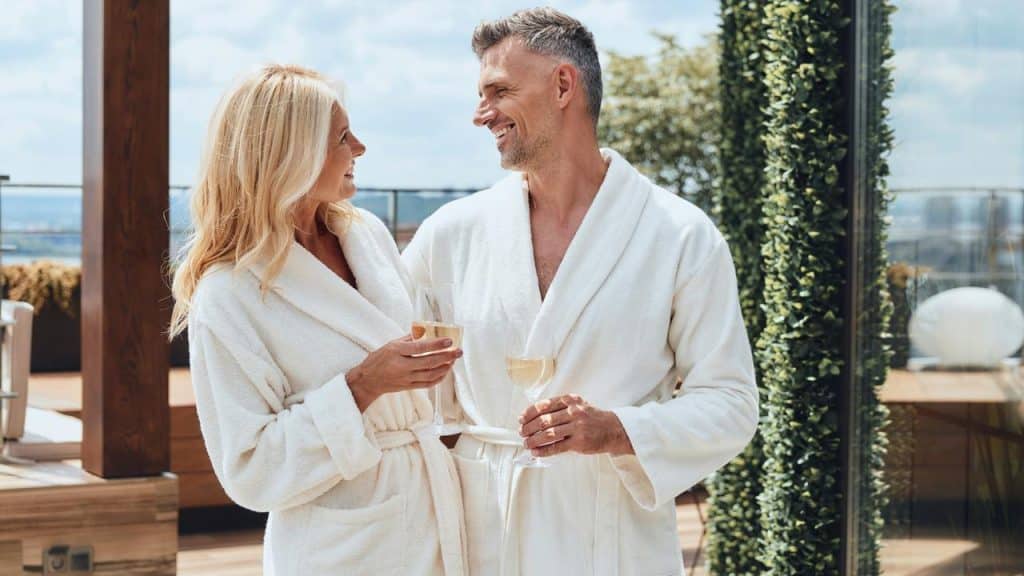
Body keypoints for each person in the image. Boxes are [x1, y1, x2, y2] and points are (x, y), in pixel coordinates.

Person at [402, 8, 758, 575]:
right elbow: (398, 371)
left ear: (563, 85)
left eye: (498, 91)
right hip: (485, 533)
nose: (480, 114)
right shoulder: (452, 233)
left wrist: (617, 431)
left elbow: (732, 404)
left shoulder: (678, 234)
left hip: (610, 544)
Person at [169, 64, 466, 575]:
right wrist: (362, 386)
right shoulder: (229, 294)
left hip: (431, 511)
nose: (361, 148)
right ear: (291, 153)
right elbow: (250, 470)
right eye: (343, 137)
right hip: (341, 544)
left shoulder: (366, 236)